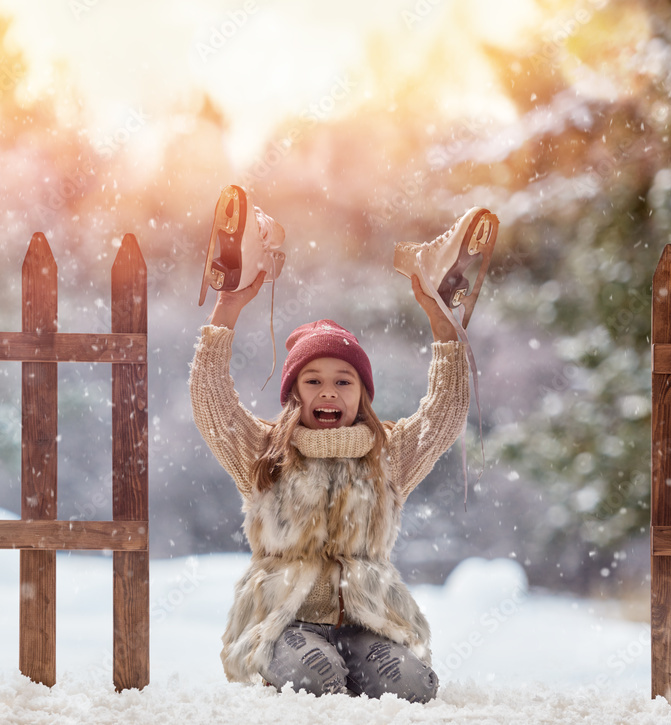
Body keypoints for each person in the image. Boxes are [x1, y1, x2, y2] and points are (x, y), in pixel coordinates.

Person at [189, 215, 471, 702]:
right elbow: (210, 399)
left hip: (369, 621)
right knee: (315, 678)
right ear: (295, 392)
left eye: (344, 381)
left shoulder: (389, 452)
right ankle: (311, 660)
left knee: (413, 686)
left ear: (362, 394)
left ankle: (356, 661)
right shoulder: (265, 451)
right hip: (286, 619)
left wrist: (439, 317)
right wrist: (229, 304)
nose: (329, 391)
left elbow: (444, 414)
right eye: (313, 379)